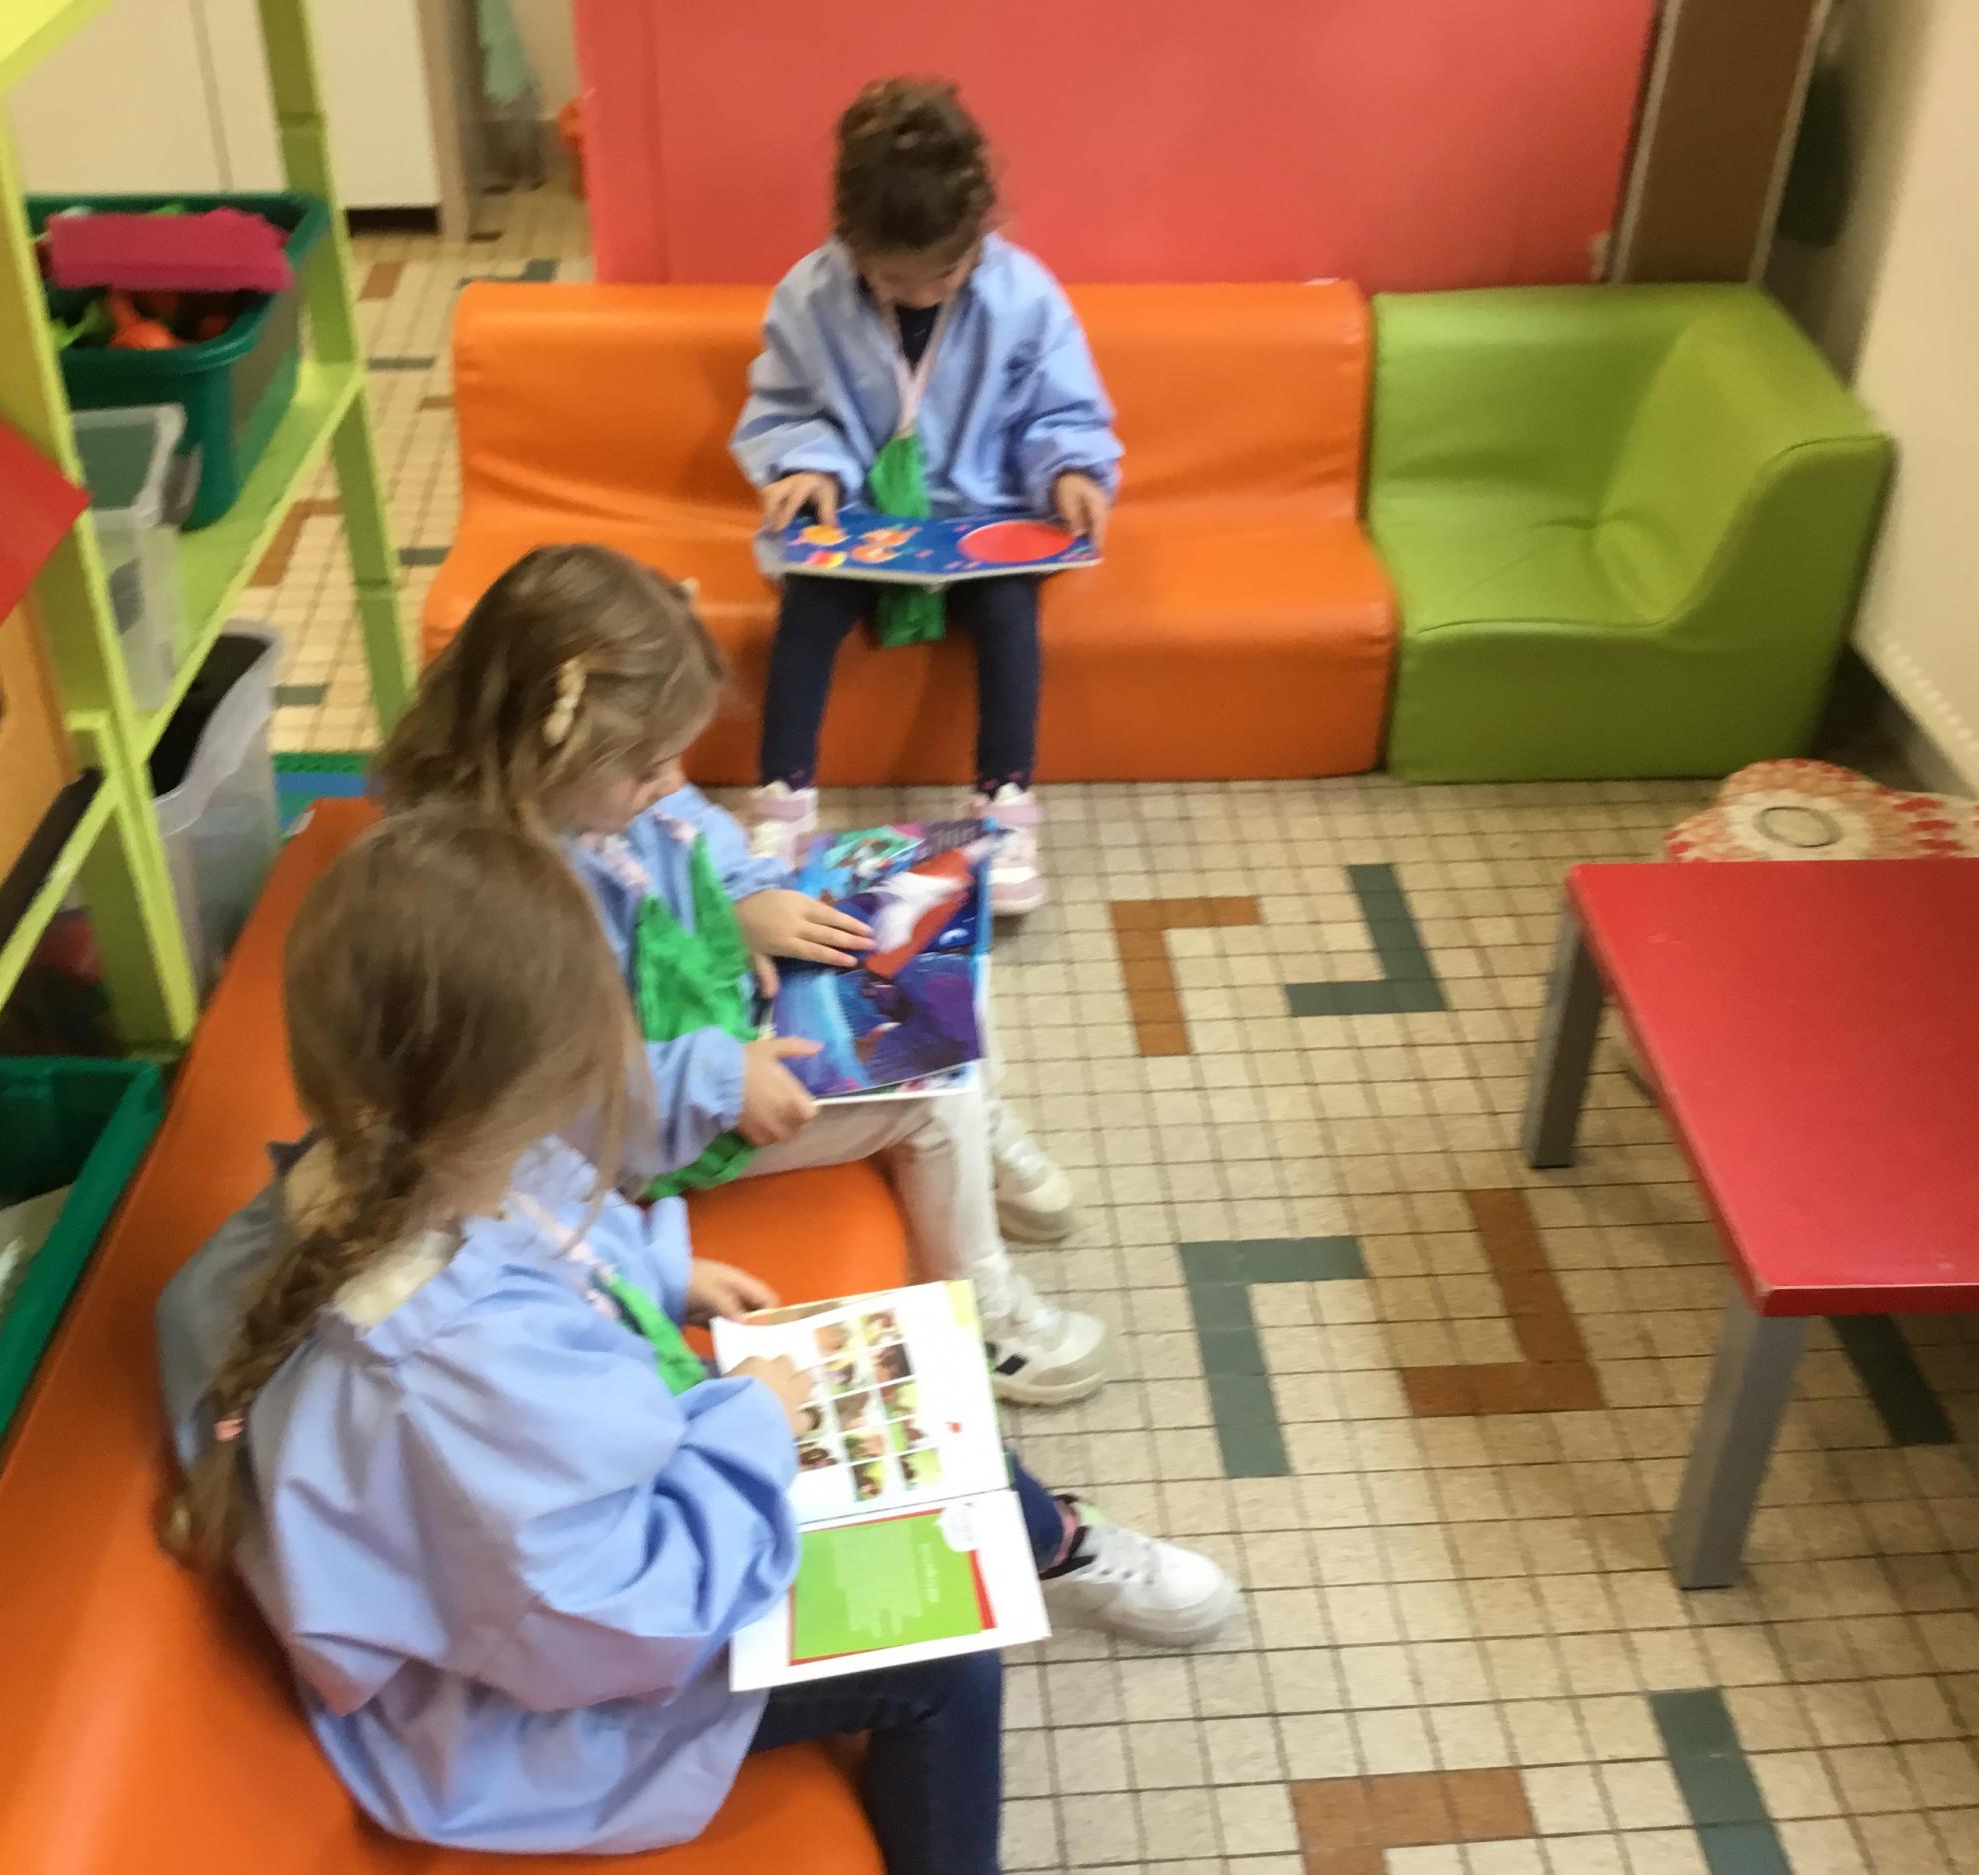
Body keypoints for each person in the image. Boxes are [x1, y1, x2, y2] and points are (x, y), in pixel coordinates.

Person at [153, 812, 1239, 1867]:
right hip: (528, 1718)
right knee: (949, 1667)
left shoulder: (384, 1162)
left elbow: (542, 1218)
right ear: (550, 1080)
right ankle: (1039, 1558)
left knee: (917, 1400)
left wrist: (662, 1275)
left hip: (583, 1536)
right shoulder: (446, 1376)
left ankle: (1049, 1537)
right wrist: (756, 1424)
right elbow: (623, 1622)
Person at [376, 543, 1105, 1404]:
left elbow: (689, 825)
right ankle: (988, 1319)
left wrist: (741, 895)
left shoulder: (571, 791)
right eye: (650, 766)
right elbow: (563, 1102)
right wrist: (725, 1079)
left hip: (699, 1022)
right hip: (637, 1129)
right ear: (552, 749)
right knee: (933, 1097)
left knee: (943, 974)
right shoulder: (499, 904)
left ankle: (987, 1133)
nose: (674, 782)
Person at [731, 76, 1121, 913]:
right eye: (892, 278)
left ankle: (1005, 804)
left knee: (1010, 610)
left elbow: (1060, 407)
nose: (923, 294)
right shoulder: (810, 297)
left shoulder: (1024, 296)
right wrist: (807, 466)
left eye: (946, 271)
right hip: (861, 520)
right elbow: (786, 405)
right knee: (808, 601)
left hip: (983, 517)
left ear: (980, 234)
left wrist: (1069, 468)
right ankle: (781, 802)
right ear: (850, 244)